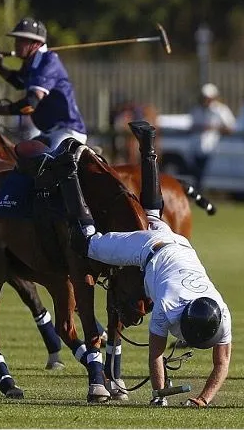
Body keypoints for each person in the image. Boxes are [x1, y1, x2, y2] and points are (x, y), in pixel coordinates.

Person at [65, 120, 232, 408]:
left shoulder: (221, 313)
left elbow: (222, 362)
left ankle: (148, 147)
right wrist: (159, 395)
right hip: (147, 249)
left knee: (153, 213)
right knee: (88, 244)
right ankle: (69, 171)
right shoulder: (168, 305)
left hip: (178, 243)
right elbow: (155, 355)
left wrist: (203, 399)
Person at [0, 17, 88, 149]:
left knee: (47, 165)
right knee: (20, 158)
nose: (16, 44)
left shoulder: (48, 62)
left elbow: (30, 104)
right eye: (16, 40)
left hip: (67, 132)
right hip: (47, 133)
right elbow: (19, 83)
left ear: (36, 44)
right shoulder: (31, 63)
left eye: (22, 41)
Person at [189, 83, 236, 188]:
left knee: (205, 175)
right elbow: (192, 127)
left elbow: (231, 128)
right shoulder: (196, 110)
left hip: (214, 148)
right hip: (197, 148)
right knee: (196, 175)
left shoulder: (221, 110)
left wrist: (213, 128)